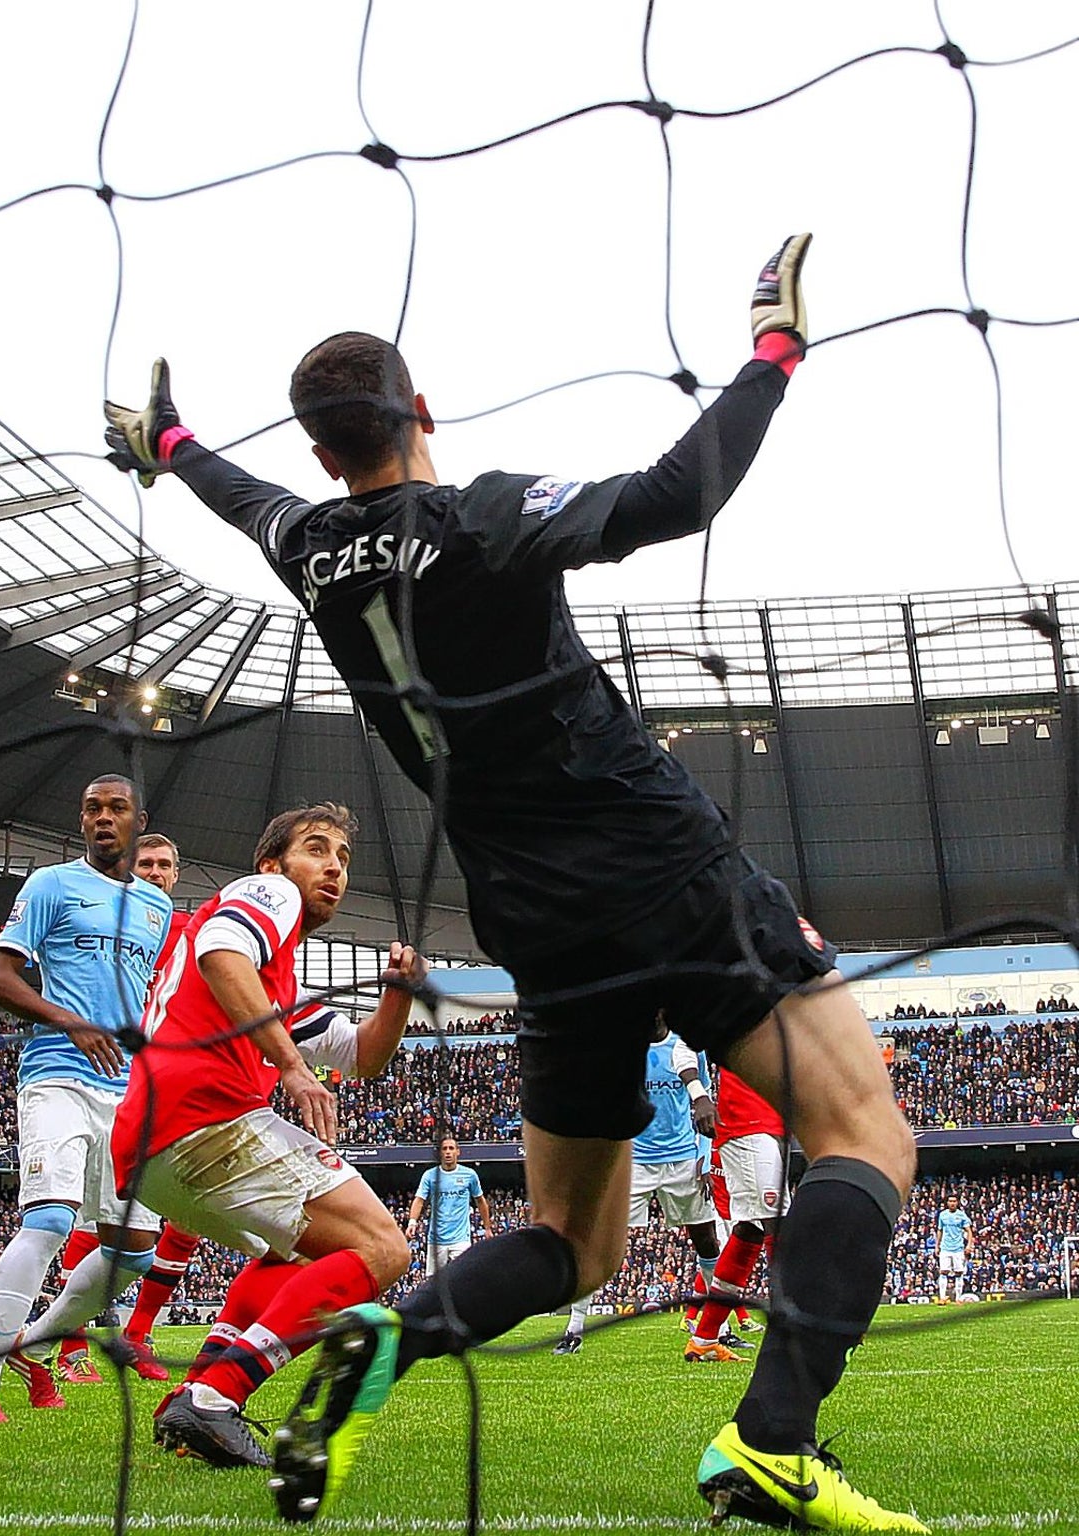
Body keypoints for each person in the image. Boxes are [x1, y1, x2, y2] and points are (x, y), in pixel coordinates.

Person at [106, 235, 926, 1531]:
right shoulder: (476, 514)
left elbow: (233, 492)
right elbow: (672, 497)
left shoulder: (308, 541)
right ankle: (774, 1436)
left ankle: (387, 1345)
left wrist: (164, 442)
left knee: (571, 1243)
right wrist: (775, 347)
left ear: (325, 453)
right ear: (421, 411)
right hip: (662, 866)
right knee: (866, 1131)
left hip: (537, 925)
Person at [108, 803, 423, 1469]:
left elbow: (363, 1056)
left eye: (342, 857)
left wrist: (397, 995)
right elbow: (222, 954)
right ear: (272, 863)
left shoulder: (279, 978)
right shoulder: (266, 894)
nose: (333, 866)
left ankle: (193, 1393)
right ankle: (217, 1398)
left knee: (308, 1258)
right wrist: (292, 1067)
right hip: (203, 1118)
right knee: (383, 1248)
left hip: (156, 1144)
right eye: (316, 848)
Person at [0, 774, 174, 1423]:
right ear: (82, 821)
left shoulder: (156, 910)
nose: (103, 818)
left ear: (138, 820)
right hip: (56, 1074)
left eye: (117, 808)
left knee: (135, 1252)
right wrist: (69, 1021)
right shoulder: (51, 885)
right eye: (92, 808)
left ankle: (34, 1341)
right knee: (49, 1221)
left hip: (128, 1089)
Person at [52, 830, 202, 1386]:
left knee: (186, 1220)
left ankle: (138, 1334)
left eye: (166, 864)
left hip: (174, 1081)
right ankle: (69, 1346)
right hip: (113, 1079)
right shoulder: (111, 922)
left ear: (177, 873)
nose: (157, 872)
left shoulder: (190, 930)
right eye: (148, 864)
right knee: (97, 1214)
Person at [555, 1019, 723, 1359]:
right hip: (635, 1161)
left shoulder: (686, 1047)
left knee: (706, 1239)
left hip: (682, 1160)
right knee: (598, 1242)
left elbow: (703, 1104)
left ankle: (718, 1328)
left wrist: (704, 1156)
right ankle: (573, 1330)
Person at [687, 1063, 786, 1352]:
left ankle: (704, 1338)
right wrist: (699, 1096)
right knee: (775, 1225)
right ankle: (797, 1328)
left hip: (768, 1127)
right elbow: (684, 1047)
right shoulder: (730, 1018)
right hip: (746, 1127)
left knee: (750, 1231)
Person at [407, 1136, 489, 1280]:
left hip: (461, 1239)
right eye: (444, 1149)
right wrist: (412, 1222)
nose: (448, 1152)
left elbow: (480, 1201)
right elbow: (419, 1200)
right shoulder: (430, 1176)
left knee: (465, 1279)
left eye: (451, 1148)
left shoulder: (469, 1175)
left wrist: (487, 1228)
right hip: (436, 1239)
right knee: (433, 1283)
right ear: (440, 1153)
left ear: (458, 1152)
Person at [934, 1194, 973, 1303]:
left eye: (954, 1201)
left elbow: (969, 1231)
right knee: (943, 1271)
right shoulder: (942, 1215)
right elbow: (940, 1230)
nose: (952, 1203)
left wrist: (969, 1245)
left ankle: (958, 1298)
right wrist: (937, 1246)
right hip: (945, 1248)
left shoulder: (961, 1215)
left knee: (959, 1272)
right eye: (950, 1201)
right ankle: (942, 1298)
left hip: (958, 1248)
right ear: (947, 1203)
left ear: (957, 1203)